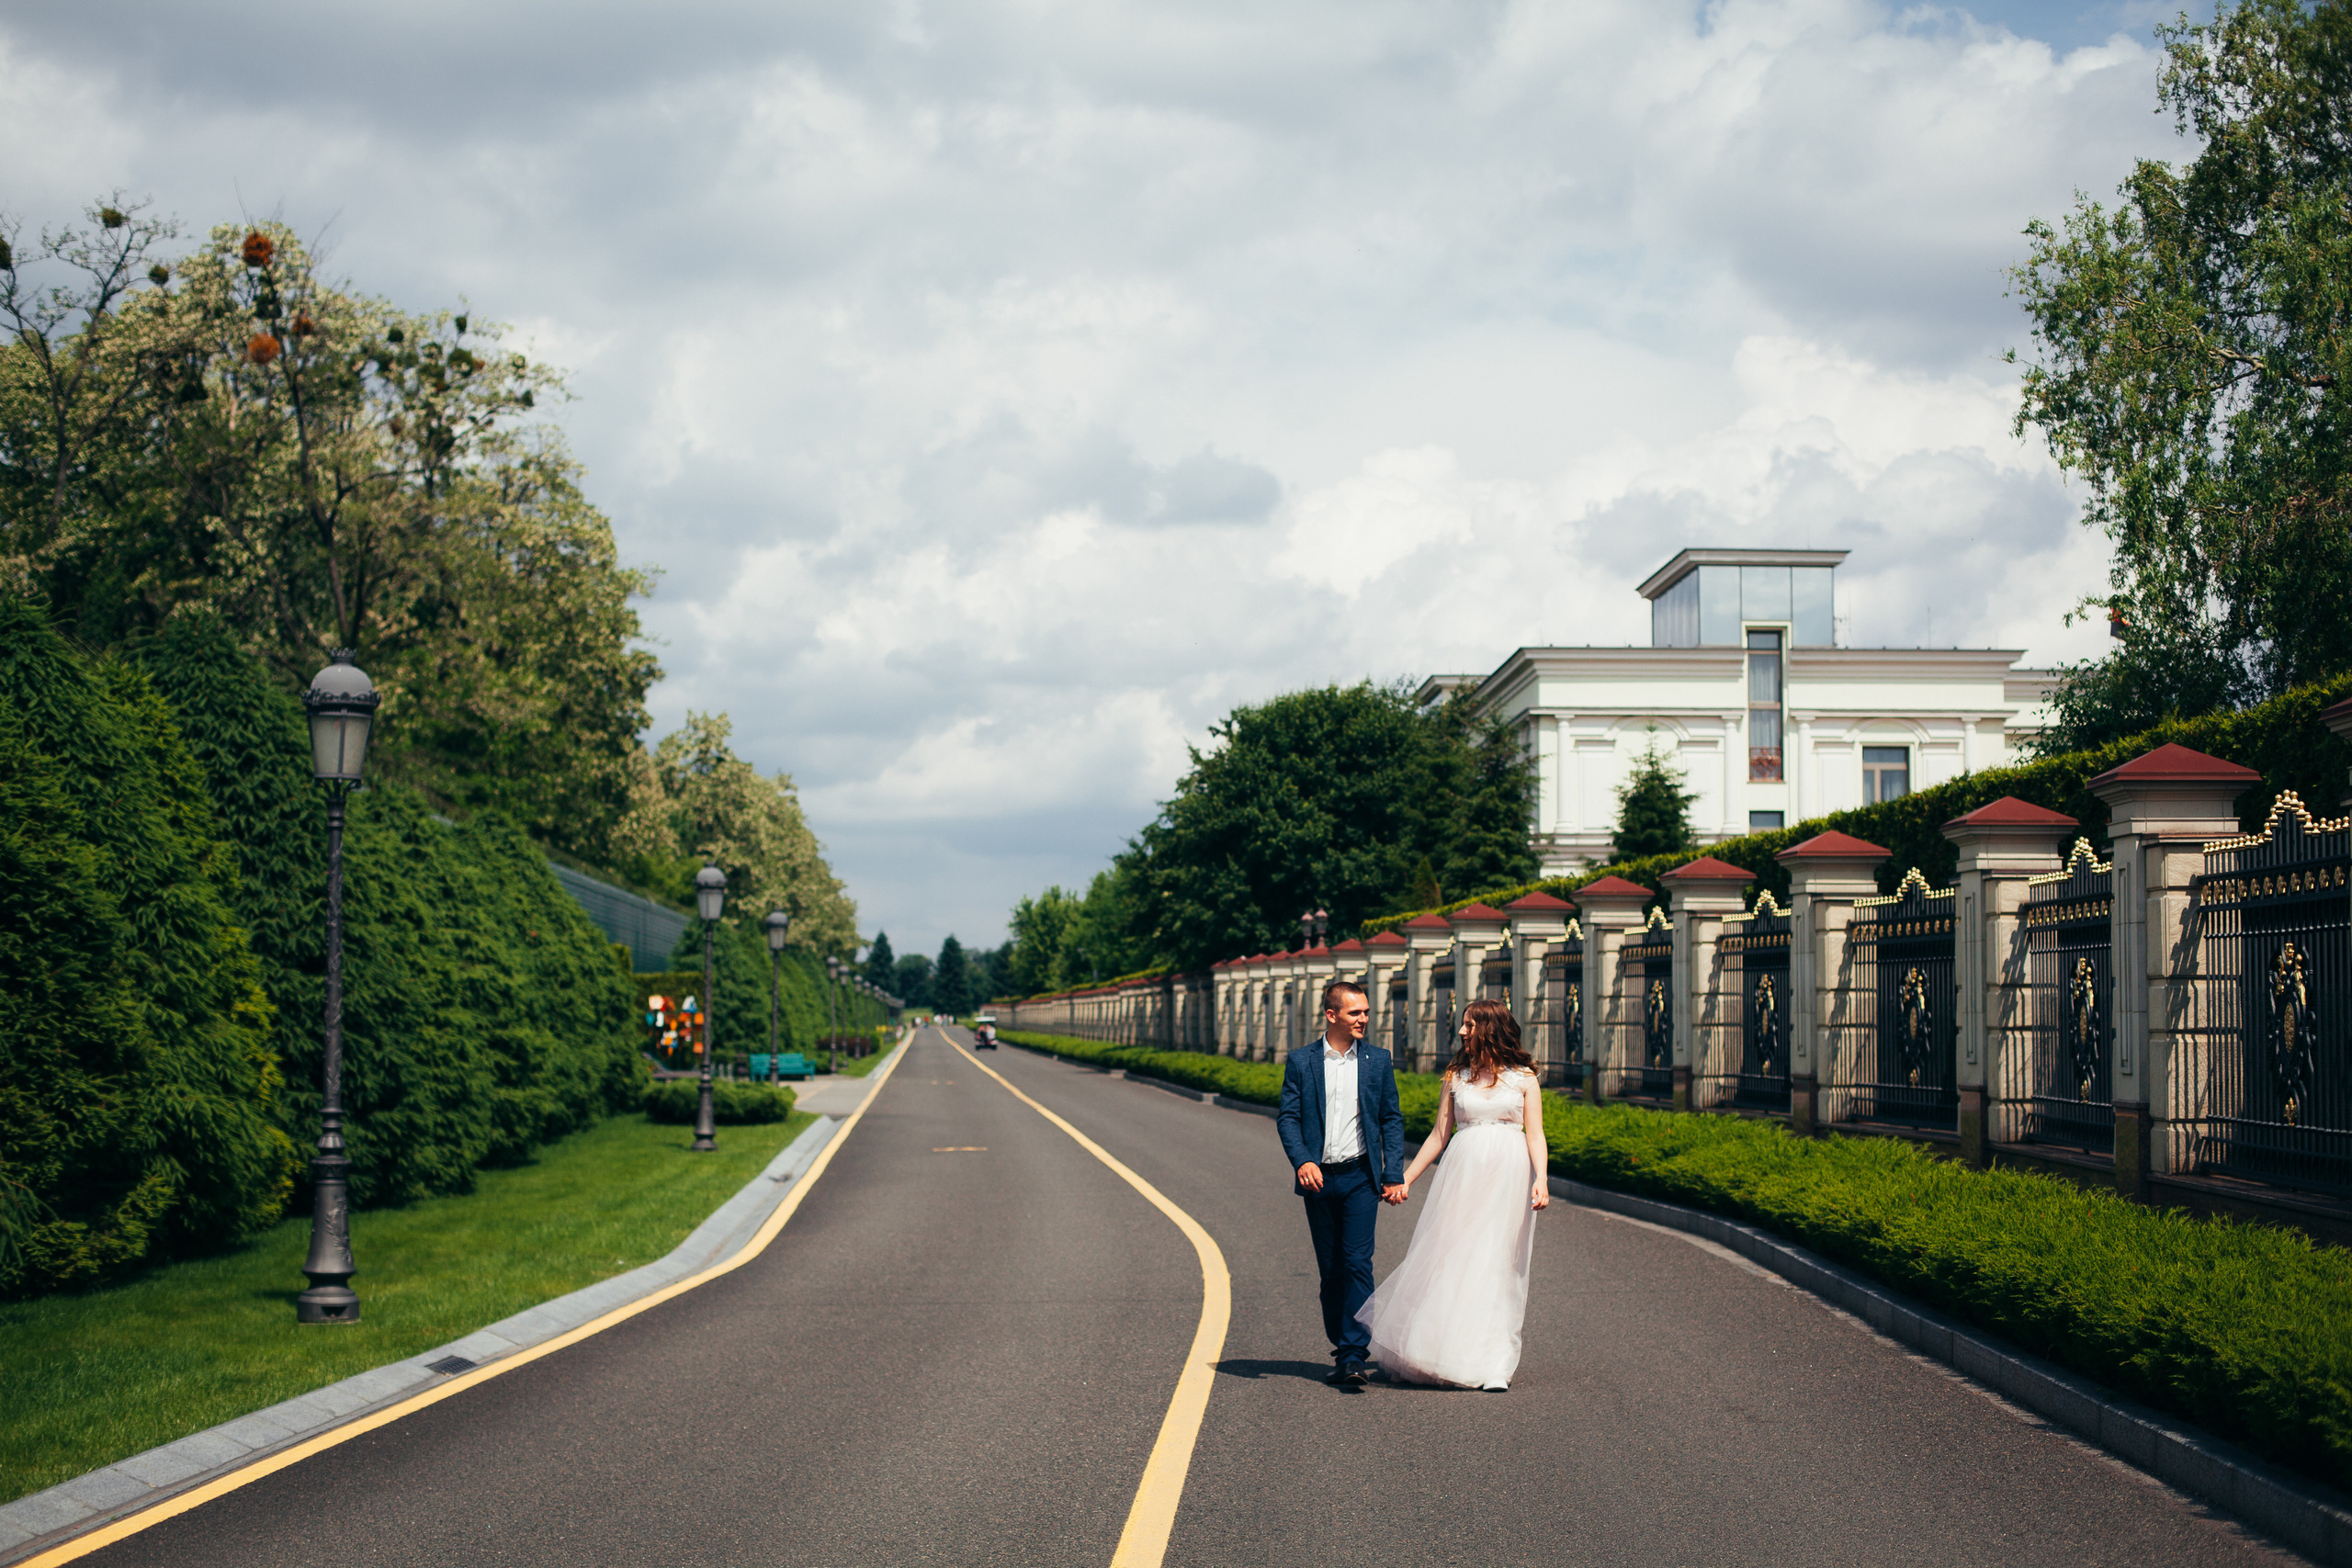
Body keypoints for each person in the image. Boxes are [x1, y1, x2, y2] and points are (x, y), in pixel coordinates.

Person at [1356, 998, 1549, 1391]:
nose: (1462, 1031)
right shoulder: (1456, 1076)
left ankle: (1493, 1364)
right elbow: (1438, 1135)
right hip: (1462, 1174)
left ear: (1489, 1028)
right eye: (1463, 1024)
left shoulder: (1525, 1078)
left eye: (1469, 1024)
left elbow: (1536, 1133)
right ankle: (1435, 1350)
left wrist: (1541, 1178)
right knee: (1453, 1254)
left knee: (1498, 1261)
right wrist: (1405, 1178)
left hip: (1509, 1177)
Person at [1275, 977, 1407, 1387]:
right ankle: (1341, 1342)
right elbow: (1289, 1118)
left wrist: (1392, 1174)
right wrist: (1302, 1161)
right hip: (1319, 1180)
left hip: (1359, 1177)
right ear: (1332, 1015)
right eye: (1355, 1012)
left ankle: (1353, 1354)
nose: (1364, 1019)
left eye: (1366, 1012)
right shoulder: (1302, 1062)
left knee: (1357, 1263)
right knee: (1331, 1271)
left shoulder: (1377, 1060)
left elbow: (1390, 1119)